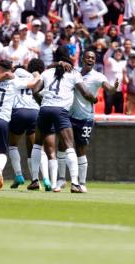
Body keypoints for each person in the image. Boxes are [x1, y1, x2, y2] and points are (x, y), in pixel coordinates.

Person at [28, 46, 97, 192]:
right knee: (69, 146)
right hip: (61, 111)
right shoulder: (73, 73)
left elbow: (34, 90)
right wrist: (94, 99)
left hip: (45, 109)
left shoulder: (47, 72)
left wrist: (43, 104)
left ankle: (34, 180)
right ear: (70, 58)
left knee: (37, 145)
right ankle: (75, 184)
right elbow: (85, 93)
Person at [56, 50, 117, 193]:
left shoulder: (98, 76)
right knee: (61, 146)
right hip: (69, 116)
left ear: (95, 61)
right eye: (88, 57)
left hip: (86, 118)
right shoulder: (73, 72)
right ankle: (60, 179)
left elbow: (109, 90)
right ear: (83, 58)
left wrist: (114, 88)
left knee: (81, 151)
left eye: (93, 58)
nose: (90, 59)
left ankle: (81, 183)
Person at [0, 58, 40, 190]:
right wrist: (37, 74)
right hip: (3, 121)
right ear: (10, 70)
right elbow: (33, 84)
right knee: (2, 152)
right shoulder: (15, 81)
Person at [8, 58, 49, 189]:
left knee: (13, 145)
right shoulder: (37, 77)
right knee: (36, 148)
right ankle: (44, 179)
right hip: (35, 112)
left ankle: (19, 175)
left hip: (19, 111)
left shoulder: (16, 74)